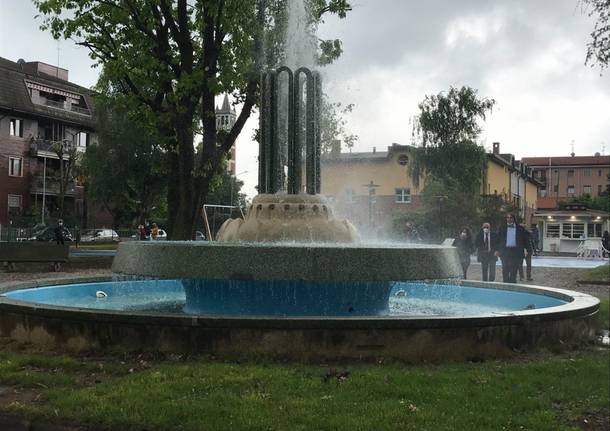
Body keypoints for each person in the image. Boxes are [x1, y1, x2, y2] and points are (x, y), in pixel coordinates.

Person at [496, 213, 530, 283]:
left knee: (514, 269)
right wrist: (497, 250)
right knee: (505, 268)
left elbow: (525, 240)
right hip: (505, 251)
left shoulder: (520, 228)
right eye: (507, 218)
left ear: (514, 219)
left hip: (516, 251)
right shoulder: (502, 228)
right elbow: (498, 240)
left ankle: (512, 283)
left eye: (511, 217)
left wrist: (527, 250)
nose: (509, 219)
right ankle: (505, 284)